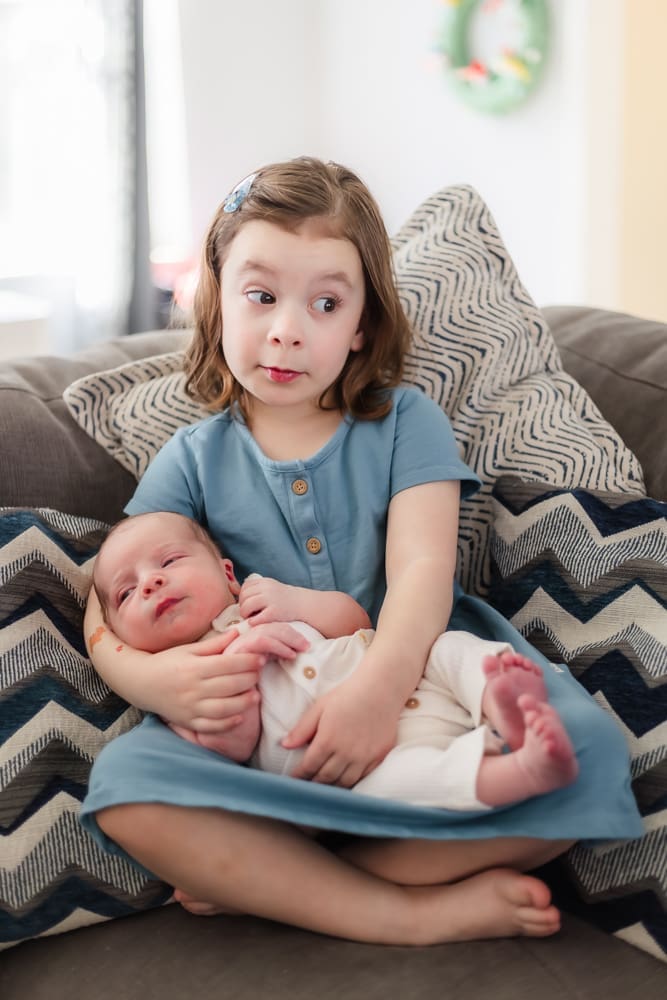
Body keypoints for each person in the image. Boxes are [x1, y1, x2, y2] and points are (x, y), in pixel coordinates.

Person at [80, 156, 641, 946]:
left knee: (579, 755)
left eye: (325, 303)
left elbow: (422, 569)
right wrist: (149, 676)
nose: (286, 329)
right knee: (128, 787)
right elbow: (103, 594)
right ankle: (399, 912)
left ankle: (272, 880)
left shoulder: (404, 422)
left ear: (361, 328)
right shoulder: (192, 457)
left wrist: (377, 691)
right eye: (261, 295)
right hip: (263, 727)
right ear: (216, 301)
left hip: (414, 682)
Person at [92, 510, 579, 812]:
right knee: (397, 788)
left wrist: (297, 602)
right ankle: (523, 771)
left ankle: (497, 694)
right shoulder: (180, 687)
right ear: (121, 634)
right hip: (363, 763)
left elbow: (353, 621)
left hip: (400, 672)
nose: (151, 582)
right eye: (127, 591)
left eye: (169, 562)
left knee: (451, 648)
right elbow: (236, 747)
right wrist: (241, 659)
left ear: (226, 574)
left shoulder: (262, 600)